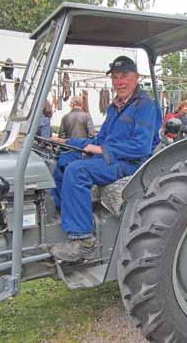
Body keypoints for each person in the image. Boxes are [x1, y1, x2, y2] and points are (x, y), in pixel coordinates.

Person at [50, 56, 162, 262]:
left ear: (136, 77)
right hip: (110, 157)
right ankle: (63, 212)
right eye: (115, 78)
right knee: (62, 159)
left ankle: (84, 242)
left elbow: (141, 146)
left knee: (77, 171)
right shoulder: (115, 106)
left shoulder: (146, 106)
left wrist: (101, 149)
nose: (119, 82)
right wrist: (77, 144)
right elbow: (102, 138)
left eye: (125, 76)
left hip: (130, 164)